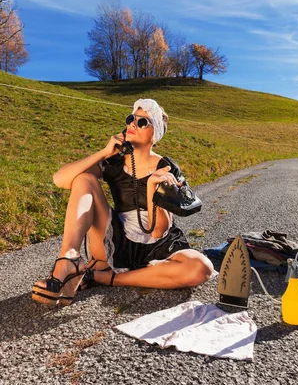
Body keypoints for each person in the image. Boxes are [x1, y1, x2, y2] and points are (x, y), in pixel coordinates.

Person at [32, 98, 213, 306]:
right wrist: (104, 153)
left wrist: (152, 189)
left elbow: (157, 232)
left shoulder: (166, 167)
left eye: (142, 122)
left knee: (201, 268)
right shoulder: (114, 162)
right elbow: (60, 179)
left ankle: (108, 278)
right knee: (83, 178)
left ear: (155, 133)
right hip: (119, 240)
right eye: (130, 119)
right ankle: (69, 259)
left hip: (159, 245)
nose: (132, 125)